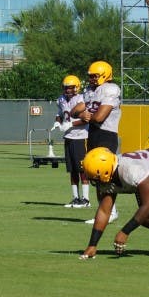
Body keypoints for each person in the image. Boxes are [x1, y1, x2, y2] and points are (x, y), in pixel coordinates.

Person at [78, 60, 122, 223]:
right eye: (90, 76)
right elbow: (77, 109)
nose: (91, 79)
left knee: (104, 174)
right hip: (94, 134)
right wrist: (80, 114)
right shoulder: (90, 90)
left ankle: (110, 212)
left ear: (104, 74)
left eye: (95, 76)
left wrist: (84, 115)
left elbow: (99, 117)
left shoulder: (111, 89)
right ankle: (106, 211)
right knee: (92, 174)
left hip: (107, 134)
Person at [52, 75, 89, 208]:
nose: (67, 90)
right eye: (66, 87)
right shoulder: (61, 99)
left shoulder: (82, 99)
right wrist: (57, 122)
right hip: (68, 137)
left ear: (77, 87)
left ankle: (86, 199)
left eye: (70, 87)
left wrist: (71, 125)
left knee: (82, 169)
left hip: (80, 137)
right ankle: (75, 198)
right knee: (72, 169)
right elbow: (60, 113)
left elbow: (87, 118)